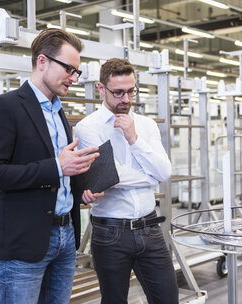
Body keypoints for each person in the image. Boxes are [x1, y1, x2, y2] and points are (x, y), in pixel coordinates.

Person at [0, 29, 104, 304]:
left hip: (65, 235)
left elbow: (60, 172)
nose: (74, 77)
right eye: (69, 69)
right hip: (24, 242)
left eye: (77, 72)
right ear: (43, 61)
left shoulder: (58, 111)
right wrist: (57, 167)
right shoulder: (6, 107)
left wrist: (80, 191)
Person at [75, 58, 178, 304]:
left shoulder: (146, 125)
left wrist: (134, 139)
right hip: (110, 234)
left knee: (168, 299)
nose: (126, 99)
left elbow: (164, 172)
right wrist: (148, 176)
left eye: (131, 91)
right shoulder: (87, 128)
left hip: (150, 229)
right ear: (102, 89)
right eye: (118, 92)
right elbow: (110, 176)